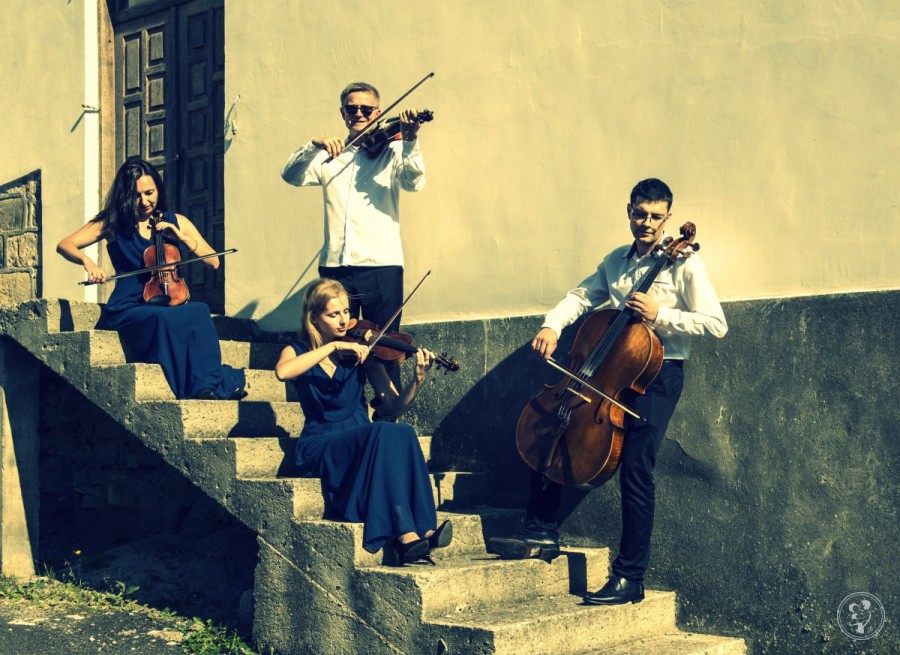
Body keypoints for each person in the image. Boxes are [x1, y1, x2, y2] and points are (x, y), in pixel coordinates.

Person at [487, 178, 727, 605]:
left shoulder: (685, 265)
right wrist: (552, 325)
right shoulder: (616, 261)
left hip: (657, 375)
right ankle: (541, 530)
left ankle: (630, 577)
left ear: (668, 218)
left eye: (655, 216)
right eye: (640, 214)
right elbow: (581, 297)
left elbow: (715, 323)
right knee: (556, 424)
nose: (647, 222)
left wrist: (660, 313)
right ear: (629, 212)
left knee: (635, 467)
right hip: (608, 368)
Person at [274, 278, 451, 564]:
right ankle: (405, 534)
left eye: (346, 311)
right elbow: (283, 372)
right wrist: (332, 347)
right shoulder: (297, 350)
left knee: (403, 432)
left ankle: (423, 530)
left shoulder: (362, 352)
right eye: (334, 314)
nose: (345, 320)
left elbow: (393, 406)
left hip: (363, 438)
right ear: (314, 318)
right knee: (381, 433)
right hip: (322, 442)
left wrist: (417, 381)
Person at [57, 157, 246, 401]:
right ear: (126, 195)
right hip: (129, 306)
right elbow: (65, 244)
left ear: (158, 189)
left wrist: (183, 238)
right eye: (136, 195)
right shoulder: (113, 223)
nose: (144, 201)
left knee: (199, 311)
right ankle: (192, 385)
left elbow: (214, 261)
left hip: (167, 299)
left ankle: (206, 386)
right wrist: (88, 262)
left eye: (149, 193)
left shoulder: (175, 221)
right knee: (164, 319)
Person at [280, 81, 427, 393]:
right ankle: (346, 409)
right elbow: (290, 175)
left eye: (366, 109)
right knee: (336, 346)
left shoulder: (393, 151)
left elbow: (414, 183)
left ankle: (387, 414)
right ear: (343, 113)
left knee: (385, 349)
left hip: (380, 266)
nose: (358, 113)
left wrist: (411, 139)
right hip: (335, 266)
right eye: (352, 108)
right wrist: (313, 144)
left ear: (378, 112)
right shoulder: (329, 155)